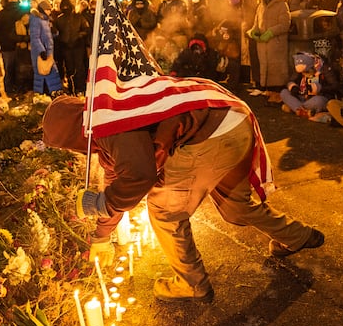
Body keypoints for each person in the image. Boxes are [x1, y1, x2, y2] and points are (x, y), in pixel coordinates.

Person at [42, 93, 325, 302]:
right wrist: (102, 235)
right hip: (233, 118)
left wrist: (101, 203)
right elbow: (117, 178)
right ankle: (297, 235)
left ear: (71, 137)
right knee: (236, 206)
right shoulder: (105, 108)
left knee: (166, 211)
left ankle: (191, 283)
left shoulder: (109, 126)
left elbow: (139, 176)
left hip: (207, 131)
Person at [247, 0, 290, 101]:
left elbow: (285, 24)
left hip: (275, 44)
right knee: (265, 66)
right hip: (263, 44)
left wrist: (271, 32)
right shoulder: (261, 5)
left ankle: (277, 94)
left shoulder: (281, 4)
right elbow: (257, 22)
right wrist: (254, 31)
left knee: (276, 69)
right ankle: (268, 91)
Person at [279, 52, 336, 117]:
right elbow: (290, 81)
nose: (304, 73)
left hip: (317, 97)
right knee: (284, 92)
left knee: (319, 102)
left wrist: (318, 88)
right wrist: (293, 86)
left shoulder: (324, 68)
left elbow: (334, 86)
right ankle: (302, 111)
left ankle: (294, 108)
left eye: (306, 71)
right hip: (301, 96)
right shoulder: (299, 67)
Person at [53, 0, 90, 95]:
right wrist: (62, 40)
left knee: (79, 68)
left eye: (67, 6)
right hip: (66, 47)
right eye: (63, 7)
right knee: (69, 68)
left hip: (78, 46)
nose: (66, 8)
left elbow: (86, 29)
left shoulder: (78, 17)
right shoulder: (59, 19)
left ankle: (80, 88)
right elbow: (56, 33)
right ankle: (72, 88)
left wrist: (78, 36)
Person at [0, 0, 26, 96]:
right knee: (9, 68)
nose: (13, 1)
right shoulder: (1, 15)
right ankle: (9, 89)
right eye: (11, 0)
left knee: (21, 69)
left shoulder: (22, 12)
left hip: (22, 45)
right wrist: (3, 41)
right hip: (8, 48)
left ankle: (20, 88)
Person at [29, 0, 63, 97]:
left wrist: (54, 32)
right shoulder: (36, 20)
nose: (49, 12)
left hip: (48, 51)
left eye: (49, 10)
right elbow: (35, 37)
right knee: (43, 72)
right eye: (47, 10)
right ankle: (43, 92)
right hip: (41, 52)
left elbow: (48, 36)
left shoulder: (45, 20)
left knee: (50, 72)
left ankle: (52, 91)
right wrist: (41, 51)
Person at [240, 0, 261, 87]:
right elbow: (245, 15)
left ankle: (261, 82)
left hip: (259, 30)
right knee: (253, 56)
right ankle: (256, 81)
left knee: (260, 57)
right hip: (250, 30)